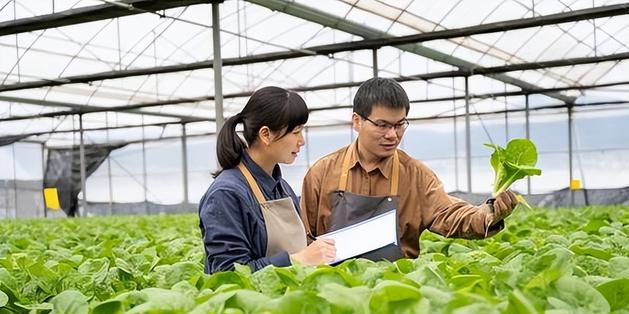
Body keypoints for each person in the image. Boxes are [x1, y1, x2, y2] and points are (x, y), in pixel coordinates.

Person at [301, 77, 518, 261]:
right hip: (333, 288)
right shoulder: (322, 172)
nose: (392, 135)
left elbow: (448, 214)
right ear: (357, 122)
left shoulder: (415, 175)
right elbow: (303, 237)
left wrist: (489, 213)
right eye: (382, 125)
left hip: (397, 290)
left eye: (399, 125)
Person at [199, 86, 336, 273]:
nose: (302, 141)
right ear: (266, 135)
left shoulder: (282, 187)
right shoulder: (226, 194)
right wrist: (297, 260)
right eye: (296, 132)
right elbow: (227, 274)